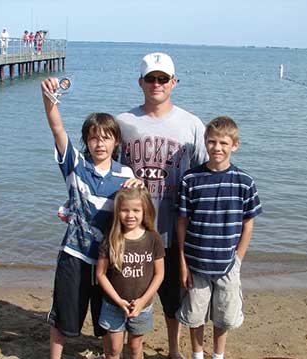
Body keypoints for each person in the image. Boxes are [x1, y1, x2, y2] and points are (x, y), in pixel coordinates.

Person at [116, 52, 208, 358]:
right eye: (151, 78)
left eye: (163, 79)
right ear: (140, 82)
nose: (157, 84)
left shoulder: (192, 125)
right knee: (129, 290)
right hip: (132, 230)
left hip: (171, 230)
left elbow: (206, 175)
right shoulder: (123, 122)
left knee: (172, 294)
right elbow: (102, 166)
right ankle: (130, 347)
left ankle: (173, 349)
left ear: (174, 82)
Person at [40, 77, 141, 359]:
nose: (100, 143)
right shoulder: (75, 165)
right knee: (64, 316)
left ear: (116, 141)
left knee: (108, 323)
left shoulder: (127, 175)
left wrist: (140, 190)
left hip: (109, 260)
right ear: (86, 140)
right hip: (74, 255)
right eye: (94, 137)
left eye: (106, 137)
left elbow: (135, 215)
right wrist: (49, 97)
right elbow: (56, 127)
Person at [176, 116, 263, 359]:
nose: (217, 148)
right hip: (196, 263)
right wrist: (183, 262)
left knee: (224, 315)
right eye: (212, 142)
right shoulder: (191, 180)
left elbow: (248, 223)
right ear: (205, 142)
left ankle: (218, 355)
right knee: (194, 315)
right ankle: (197, 354)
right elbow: (181, 222)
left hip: (228, 264)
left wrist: (238, 259)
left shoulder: (244, 182)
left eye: (224, 143)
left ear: (235, 145)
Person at [96, 187, 165, 359]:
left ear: (145, 211)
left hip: (142, 306)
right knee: (114, 349)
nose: (130, 215)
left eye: (136, 210)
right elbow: (100, 274)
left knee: (135, 347)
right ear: (117, 211)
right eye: (125, 210)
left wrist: (142, 302)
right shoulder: (111, 238)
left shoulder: (153, 238)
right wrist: (118, 301)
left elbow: (159, 274)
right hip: (113, 305)